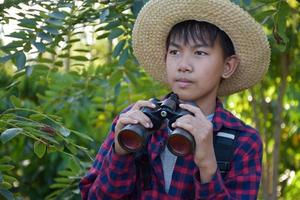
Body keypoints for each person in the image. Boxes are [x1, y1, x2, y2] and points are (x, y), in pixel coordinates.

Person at [79, 0, 270, 199]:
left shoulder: (244, 142)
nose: (183, 65)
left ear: (228, 66)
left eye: (200, 53)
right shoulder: (133, 120)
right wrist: (120, 152)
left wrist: (207, 166)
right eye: (175, 52)